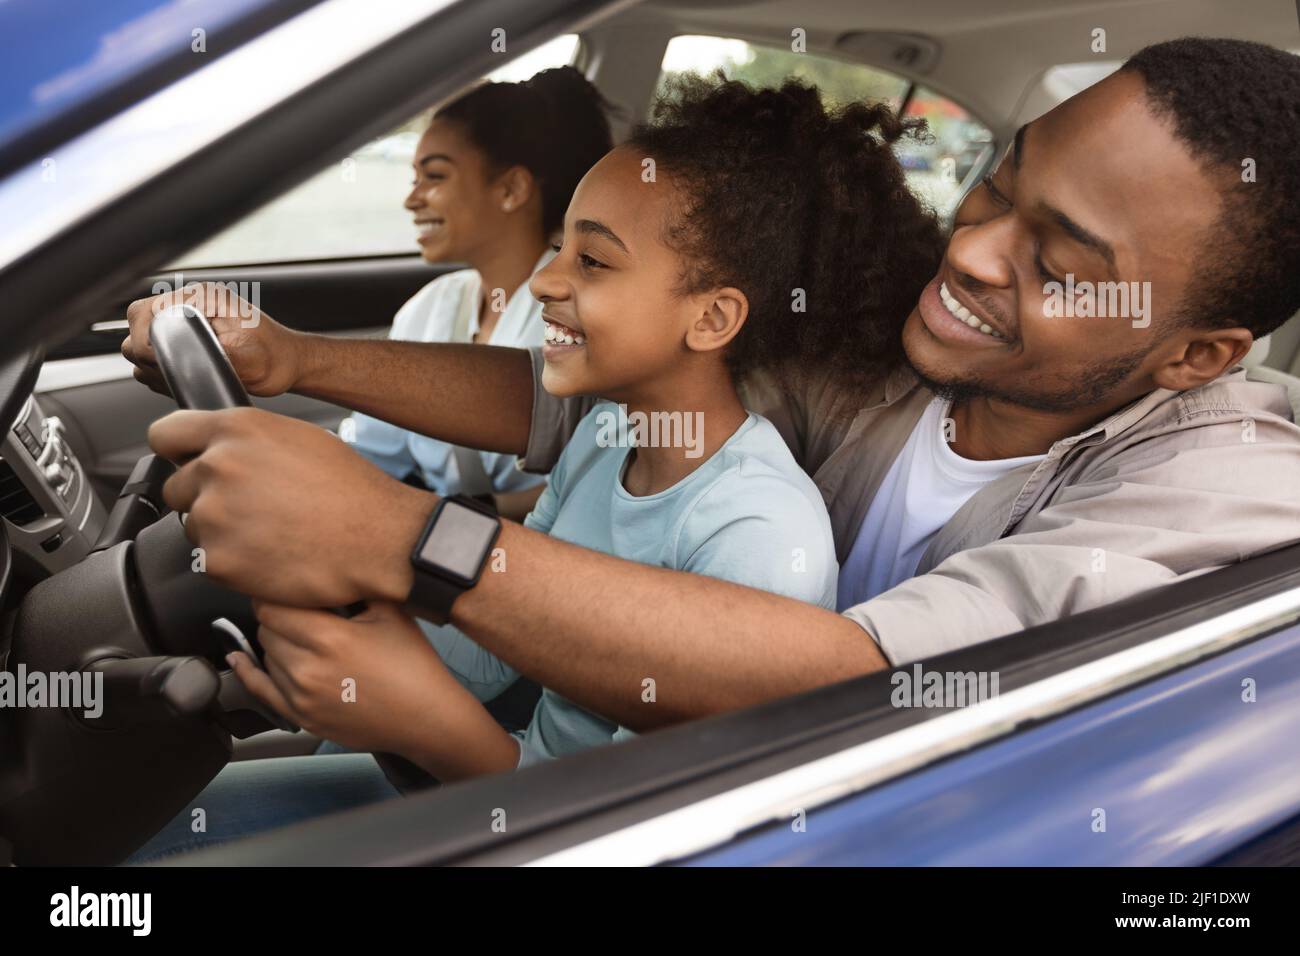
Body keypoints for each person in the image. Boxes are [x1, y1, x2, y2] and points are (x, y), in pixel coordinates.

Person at [125, 38, 1300, 780]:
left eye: (1058, 262)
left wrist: (405, 538)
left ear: (1197, 352)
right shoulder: (910, 334)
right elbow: (581, 398)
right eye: (999, 178)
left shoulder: (1229, 489)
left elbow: (855, 675)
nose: (975, 251)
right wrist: (292, 359)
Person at [126, 75, 943, 856]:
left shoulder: (756, 532)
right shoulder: (603, 438)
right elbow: (492, 654)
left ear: (713, 317)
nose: (546, 282)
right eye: (559, 247)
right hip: (496, 790)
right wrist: (352, 645)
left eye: (592, 262)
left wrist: (419, 721)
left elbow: (631, 825)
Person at [348, 66, 614, 520]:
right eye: (414, 177)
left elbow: (601, 480)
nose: (412, 199)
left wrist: (457, 521)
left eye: (434, 177)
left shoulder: (582, 317)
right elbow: (372, 453)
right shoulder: (430, 306)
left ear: (511, 189)